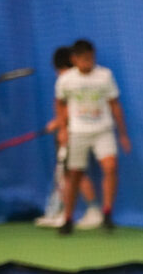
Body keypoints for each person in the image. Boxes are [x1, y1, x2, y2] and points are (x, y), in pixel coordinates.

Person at [54, 39, 130, 235]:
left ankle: (107, 214)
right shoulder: (66, 80)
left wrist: (123, 134)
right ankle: (68, 218)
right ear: (75, 59)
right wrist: (63, 129)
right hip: (77, 133)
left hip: (103, 130)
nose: (89, 62)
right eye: (84, 59)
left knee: (110, 167)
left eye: (91, 58)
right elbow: (60, 104)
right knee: (74, 175)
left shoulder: (105, 76)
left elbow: (115, 104)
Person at [35, 45, 102, 228]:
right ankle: (66, 213)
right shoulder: (67, 81)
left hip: (74, 133)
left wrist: (58, 124)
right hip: (70, 132)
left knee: (74, 173)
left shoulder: (71, 81)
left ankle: (92, 211)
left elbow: (74, 109)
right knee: (69, 173)